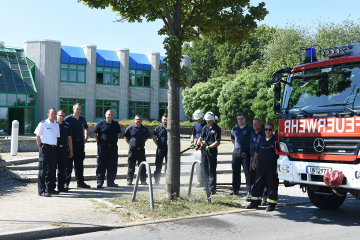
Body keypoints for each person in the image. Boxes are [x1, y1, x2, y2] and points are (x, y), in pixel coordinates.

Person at [246, 122, 279, 212]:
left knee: (271, 186)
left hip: (272, 167)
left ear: (273, 130)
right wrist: (253, 162)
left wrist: (278, 167)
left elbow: (280, 155)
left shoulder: (277, 141)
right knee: (257, 185)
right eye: (266, 129)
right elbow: (256, 152)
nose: (268, 131)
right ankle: (254, 203)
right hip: (261, 167)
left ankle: (270, 205)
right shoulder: (261, 140)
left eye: (270, 129)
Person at [34, 107, 60, 197]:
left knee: (52, 170)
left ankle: (50, 188)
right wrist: (40, 147)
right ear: (48, 114)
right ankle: (41, 190)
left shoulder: (56, 125)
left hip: (53, 148)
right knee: (42, 170)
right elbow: (38, 137)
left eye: (55, 113)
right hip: (45, 148)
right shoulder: (43, 124)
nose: (53, 115)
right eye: (52, 113)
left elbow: (57, 137)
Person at [92, 110, 121, 188]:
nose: (110, 116)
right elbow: (94, 133)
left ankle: (111, 182)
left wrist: (112, 139)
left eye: (111, 115)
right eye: (108, 114)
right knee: (101, 164)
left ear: (113, 115)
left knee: (112, 164)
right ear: (105, 115)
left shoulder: (116, 124)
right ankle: (99, 182)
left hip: (113, 147)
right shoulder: (100, 123)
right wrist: (100, 140)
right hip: (103, 147)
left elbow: (119, 133)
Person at [64, 103, 90, 189]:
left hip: (80, 144)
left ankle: (80, 182)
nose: (78, 110)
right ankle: (66, 183)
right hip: (71, 144)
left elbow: (86, 128)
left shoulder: (82, 118)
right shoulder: (68, 119)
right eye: (77, 109)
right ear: (73, 109)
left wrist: (86, 138)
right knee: (69, 164)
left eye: (80, 109)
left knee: (79, 164)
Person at [230, 113, 254, 198]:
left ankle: (249, 191)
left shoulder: (250, 129)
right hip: (236, 152)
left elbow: (252, 142)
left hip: (246, 152)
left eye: (241, 119)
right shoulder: (234, 129)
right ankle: (235, 190)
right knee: (235, 171)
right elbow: (233, 139)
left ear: (245, 119)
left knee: (248, 172)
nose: (240, 120)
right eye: (238, 119)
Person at [197, 112, 221, 195]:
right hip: (205, 151)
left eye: (209, 121)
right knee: (206, 168)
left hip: (212, 151)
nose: (207, 122)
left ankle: (212, 188)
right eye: (206, 120)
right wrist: (198, 142)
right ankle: (207, 186)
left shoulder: (217, 128)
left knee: (212, 169)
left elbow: (217, 142)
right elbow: (201, 137)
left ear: (212, 120)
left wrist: (209, 147)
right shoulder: (205, 128)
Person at [124, 114, 150, 185]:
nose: (138, 121)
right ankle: (129, 180)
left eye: (140, 119)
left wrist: (141, 143)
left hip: (141, 150)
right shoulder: (130, 128)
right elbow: (126, 137)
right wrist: (130, 144)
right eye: (137, 119)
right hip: (132, 150)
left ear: (142, 120)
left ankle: (143, 180)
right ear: (134, 120)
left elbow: (146, 137)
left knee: (142, 166)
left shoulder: (145, 129)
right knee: (131, 165)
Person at [53, 110, 73, 193]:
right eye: (60, 115)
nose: (62, 117)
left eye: (63, 116)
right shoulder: (53, 124)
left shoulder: (67, 125)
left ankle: (61, 187)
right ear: (57, 115)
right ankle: (51, 187)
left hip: (64, 149)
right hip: (55, 149)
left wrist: (71, 150)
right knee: (52, 168)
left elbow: (69, 139)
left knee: (63, 169)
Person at [249, 118, 266, 203]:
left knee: (262, 177)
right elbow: (251, 146)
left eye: (257, 123)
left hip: (261, 158)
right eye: (254, 123)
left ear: (260, 124)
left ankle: (264, 196)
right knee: (252, 176)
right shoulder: (251, 134)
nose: (255, 125)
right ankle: (254, 195)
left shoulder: (264, 134)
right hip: (252, 157)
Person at [190, 109, 207, 187]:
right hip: (198, 147)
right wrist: (192, 143)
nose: (198, 119)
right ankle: (199, 181)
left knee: (206, 164)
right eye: (196, 118)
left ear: (202, 116)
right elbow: (193, 134)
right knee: (198, 165)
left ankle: (206, 182)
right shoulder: (195, 125)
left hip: (206, 147)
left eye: (199, 118)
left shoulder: (207, 124)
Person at [153, 113, 168, 185]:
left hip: (169, 149)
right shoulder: (158, 128)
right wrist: (158, 145)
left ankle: (168, 181)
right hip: (160, 148)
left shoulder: (171, 128)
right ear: (162, 119)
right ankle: (156, 181)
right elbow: (154, 138)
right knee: (158, 165)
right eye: (164, 119)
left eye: (166, 119)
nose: (165, 121)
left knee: (168, 166)